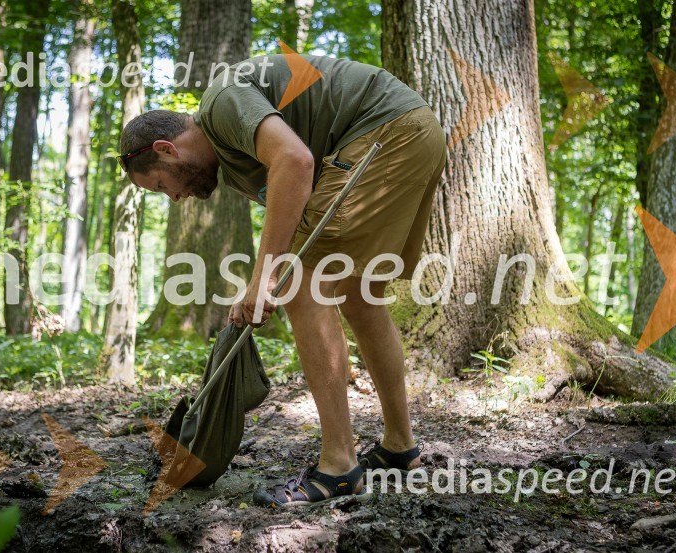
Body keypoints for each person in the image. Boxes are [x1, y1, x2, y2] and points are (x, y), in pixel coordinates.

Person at [119, 53, 447, 507]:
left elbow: (295, 160)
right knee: (359, 295)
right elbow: (300, 213)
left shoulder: (221, 102)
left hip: (384, 132)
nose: (174, 198)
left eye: (160, 186)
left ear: (166, 150)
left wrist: (267, 276)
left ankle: (339, 466)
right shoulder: (235, 165)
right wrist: (256, 285)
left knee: (303, 286)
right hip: (412, 134)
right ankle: (399, 447)